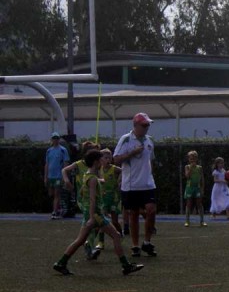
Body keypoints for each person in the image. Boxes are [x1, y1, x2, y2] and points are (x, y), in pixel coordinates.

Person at [52, 149, 144, 276]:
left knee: (80, 240)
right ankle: (126, 265)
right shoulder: (93, 179)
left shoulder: (88, 175)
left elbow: (88, 187)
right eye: (101, 160)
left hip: (91, 214)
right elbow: (92, 199)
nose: (103, 162)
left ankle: (61, 263)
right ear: (96, 162)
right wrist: (92, 217)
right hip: (95, 215)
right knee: (116, 235)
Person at [113, 112, 158, 258]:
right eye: (144, 125)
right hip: (131, 184)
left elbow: (151, 160)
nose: (147, 127)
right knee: (133, 214)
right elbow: (116, 159)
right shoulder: (126, 139)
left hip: (148, 184)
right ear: (136, 125)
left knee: (151, 210)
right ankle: (135, 245)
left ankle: (147, 241)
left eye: (148, 125)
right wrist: (132, 152)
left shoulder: (149, 140)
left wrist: (150, 175)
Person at [62, 141, 101, 258]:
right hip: (83, 199)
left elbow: (101, 178)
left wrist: (98, 181)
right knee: (92, 221)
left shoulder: (96, 168)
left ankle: (88, 244)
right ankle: (89, 247)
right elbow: (64, 170)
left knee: (96, 224)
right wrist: (67, 181)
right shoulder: (79, 164)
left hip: (94, 199)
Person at [45, 132, 70, 219]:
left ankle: (55, 211)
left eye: (57, 138)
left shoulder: (63, 150)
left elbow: (66, 163)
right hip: (50, 176)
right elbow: (47, 164)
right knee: (51, 194)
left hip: (58, 176)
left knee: (57, 193)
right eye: (54, 138)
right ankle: (58, 209)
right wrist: (45, 177)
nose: (55, 140)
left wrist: (64, 175)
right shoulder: (49, 151)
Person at [100, 148, 123, 239]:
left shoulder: (114, 169)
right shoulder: (99, 169)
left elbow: (123, 171)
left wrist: (119, 181)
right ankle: (101, 240)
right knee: (102, 219)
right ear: (100, 159)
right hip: (103, 196)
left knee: (114, 221)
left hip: (114, 197)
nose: (108, 160)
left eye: (109, 158)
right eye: (105, 158)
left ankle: (120, 233)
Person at [184, 150, 207, 227]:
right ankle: (187, 221)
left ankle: (202, 221)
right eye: (191, 159)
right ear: (188, 159)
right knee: (189, 204)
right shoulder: (187, 167)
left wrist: (202, 188)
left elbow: (202, 179)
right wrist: (191, 167)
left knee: (199, 204)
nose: (192, 160)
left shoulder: (199, 168)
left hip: (197, 188)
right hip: (189, 188)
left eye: (194, 159)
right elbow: (187, 176)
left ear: (196, 159)